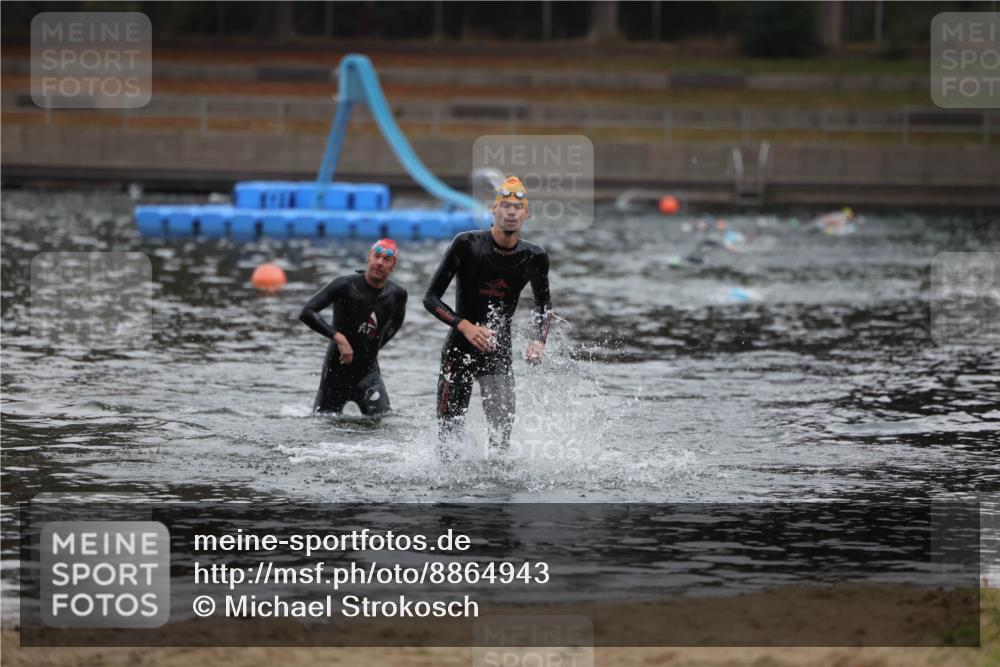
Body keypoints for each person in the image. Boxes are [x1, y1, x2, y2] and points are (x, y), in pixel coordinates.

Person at [424, 176, 552, 457]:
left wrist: (538, 341)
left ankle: (495, 498)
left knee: (501, 440)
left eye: (517, 207)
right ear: (493, 210)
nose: (511, 212)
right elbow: (430, 298)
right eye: (504, 205)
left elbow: (544, 308)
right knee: (449, 438)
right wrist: (464, 325)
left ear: (527, 214)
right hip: (459, 351)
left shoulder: (535, 257)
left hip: (498, 353)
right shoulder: (467, 245)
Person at [299, 239, 407, 416]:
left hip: (368, 373)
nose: (380, 263)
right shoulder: (345, 285)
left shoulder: (397, 295)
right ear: (368, 258)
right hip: (336, 370)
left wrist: (375, 344)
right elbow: (307, 312)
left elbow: (396, 322)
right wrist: (338, 337)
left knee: (384, 421)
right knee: (323, 423)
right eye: (376, 256)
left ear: (393, 265)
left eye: (386, 259)